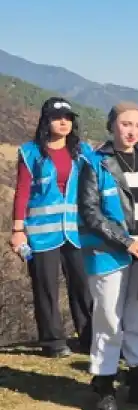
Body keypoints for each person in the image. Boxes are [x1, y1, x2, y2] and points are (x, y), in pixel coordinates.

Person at [77, 102, 138, 410]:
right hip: (110, 253)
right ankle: (104, 386)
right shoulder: (96, 163)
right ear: (112, 126)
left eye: (137, 125)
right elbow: (91, 212)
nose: (131, 131)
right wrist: (127, 242)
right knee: (108, 319)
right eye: (125, 124)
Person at [10, 97, 93, 357]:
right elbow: (22, 191)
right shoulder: (31, 152)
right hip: (42, 232)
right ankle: (53, 341)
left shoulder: (82, 151)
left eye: (68, 118)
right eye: (58, 117)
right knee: (46, 287)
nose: (64, 122)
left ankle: (90, 337)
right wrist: (17, 229)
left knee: (82, 284)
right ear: (46, 121)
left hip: (76, 231)